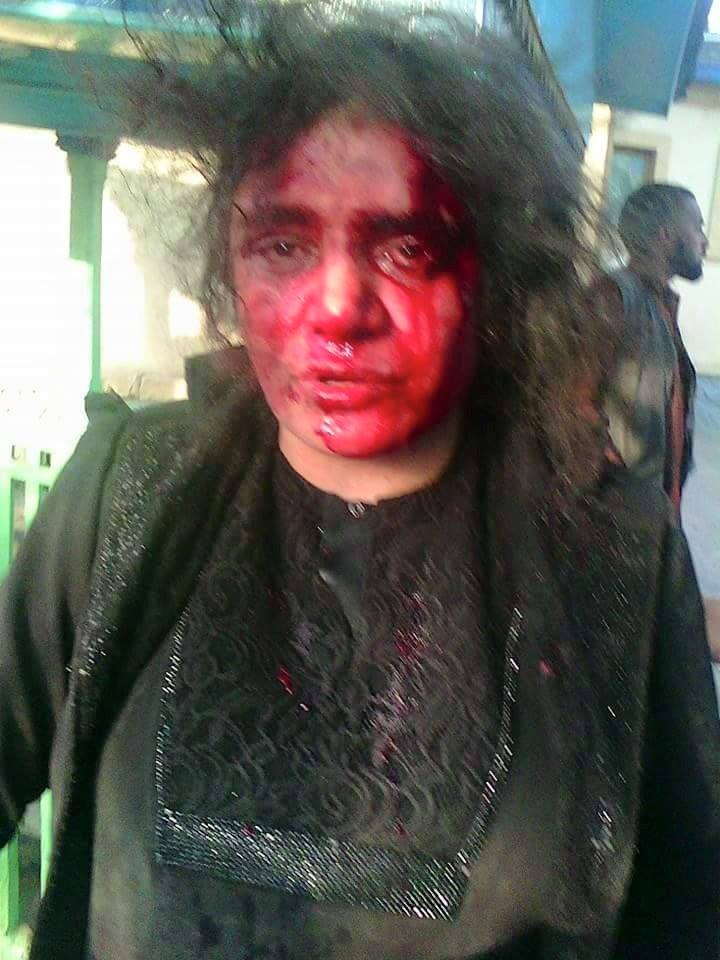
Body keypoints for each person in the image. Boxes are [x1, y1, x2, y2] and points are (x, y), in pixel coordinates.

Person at [1, 6, 719, 960]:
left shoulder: (612, 555)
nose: (339, 308)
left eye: (406, 248)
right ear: (230, 263)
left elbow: (686, 909)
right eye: (284, 244)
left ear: (492, 278)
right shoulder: (128, 497)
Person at [598, 183, 707, 514]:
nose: (705, 241)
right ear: (665, 235)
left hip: (659, 514)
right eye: (697, 227)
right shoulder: (613, 296)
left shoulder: (662, 303)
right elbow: (574, 402)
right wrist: (620, 484)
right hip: (622, 516)